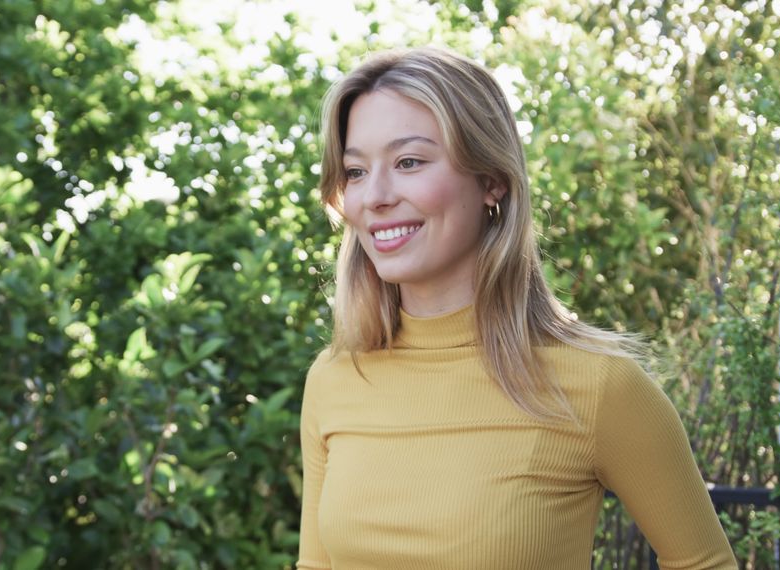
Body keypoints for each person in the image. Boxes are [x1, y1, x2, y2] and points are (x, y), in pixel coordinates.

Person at [297, 47, 737, 569]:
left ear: (491, 181)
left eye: (408, 162)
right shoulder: (334, 378)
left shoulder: (599, 385)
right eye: (355, 171)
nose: (376, 196)